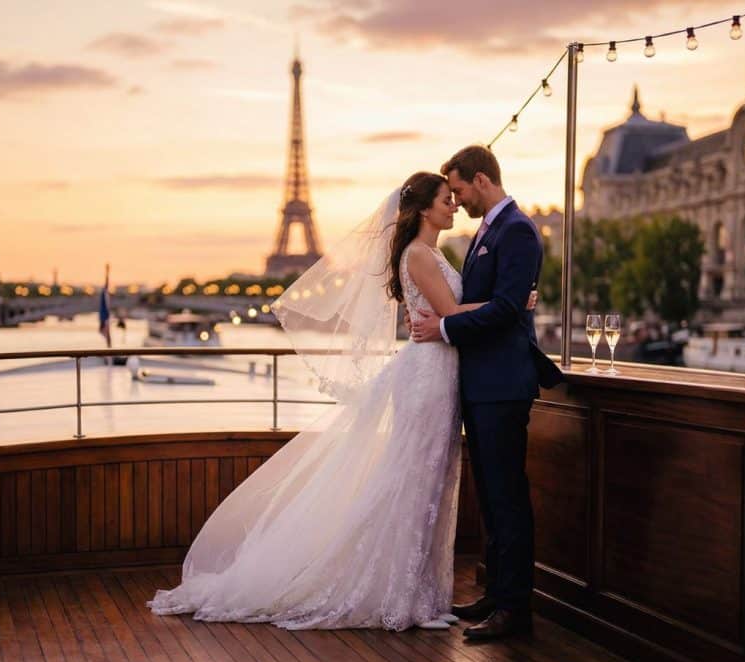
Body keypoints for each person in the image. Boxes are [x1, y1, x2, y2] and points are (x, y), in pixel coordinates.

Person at [147, 171, 538, 631]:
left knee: (427, 482)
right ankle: (399, 592)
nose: (453, 205)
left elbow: (448, 315)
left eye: (455, 198)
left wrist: (496, 304)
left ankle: (415, 591)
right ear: (424, 209)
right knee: (414, 481)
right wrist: (515, 303)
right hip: (429, 377)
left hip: (439, 375)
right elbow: (451, 315)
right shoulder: (419, 254)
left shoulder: (431, 252)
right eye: (446, 199)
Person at [411, 145, 563, 641]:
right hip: (481, 385)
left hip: (501, 384)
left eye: (457, 189)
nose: (455, 200)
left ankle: (515, 610)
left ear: (480, 180)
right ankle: (498, 593)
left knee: (508, 498)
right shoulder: (489, 231)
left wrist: (445, 331)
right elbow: (497, 302)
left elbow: (502, 312)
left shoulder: (516, 231)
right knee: (495, 501)